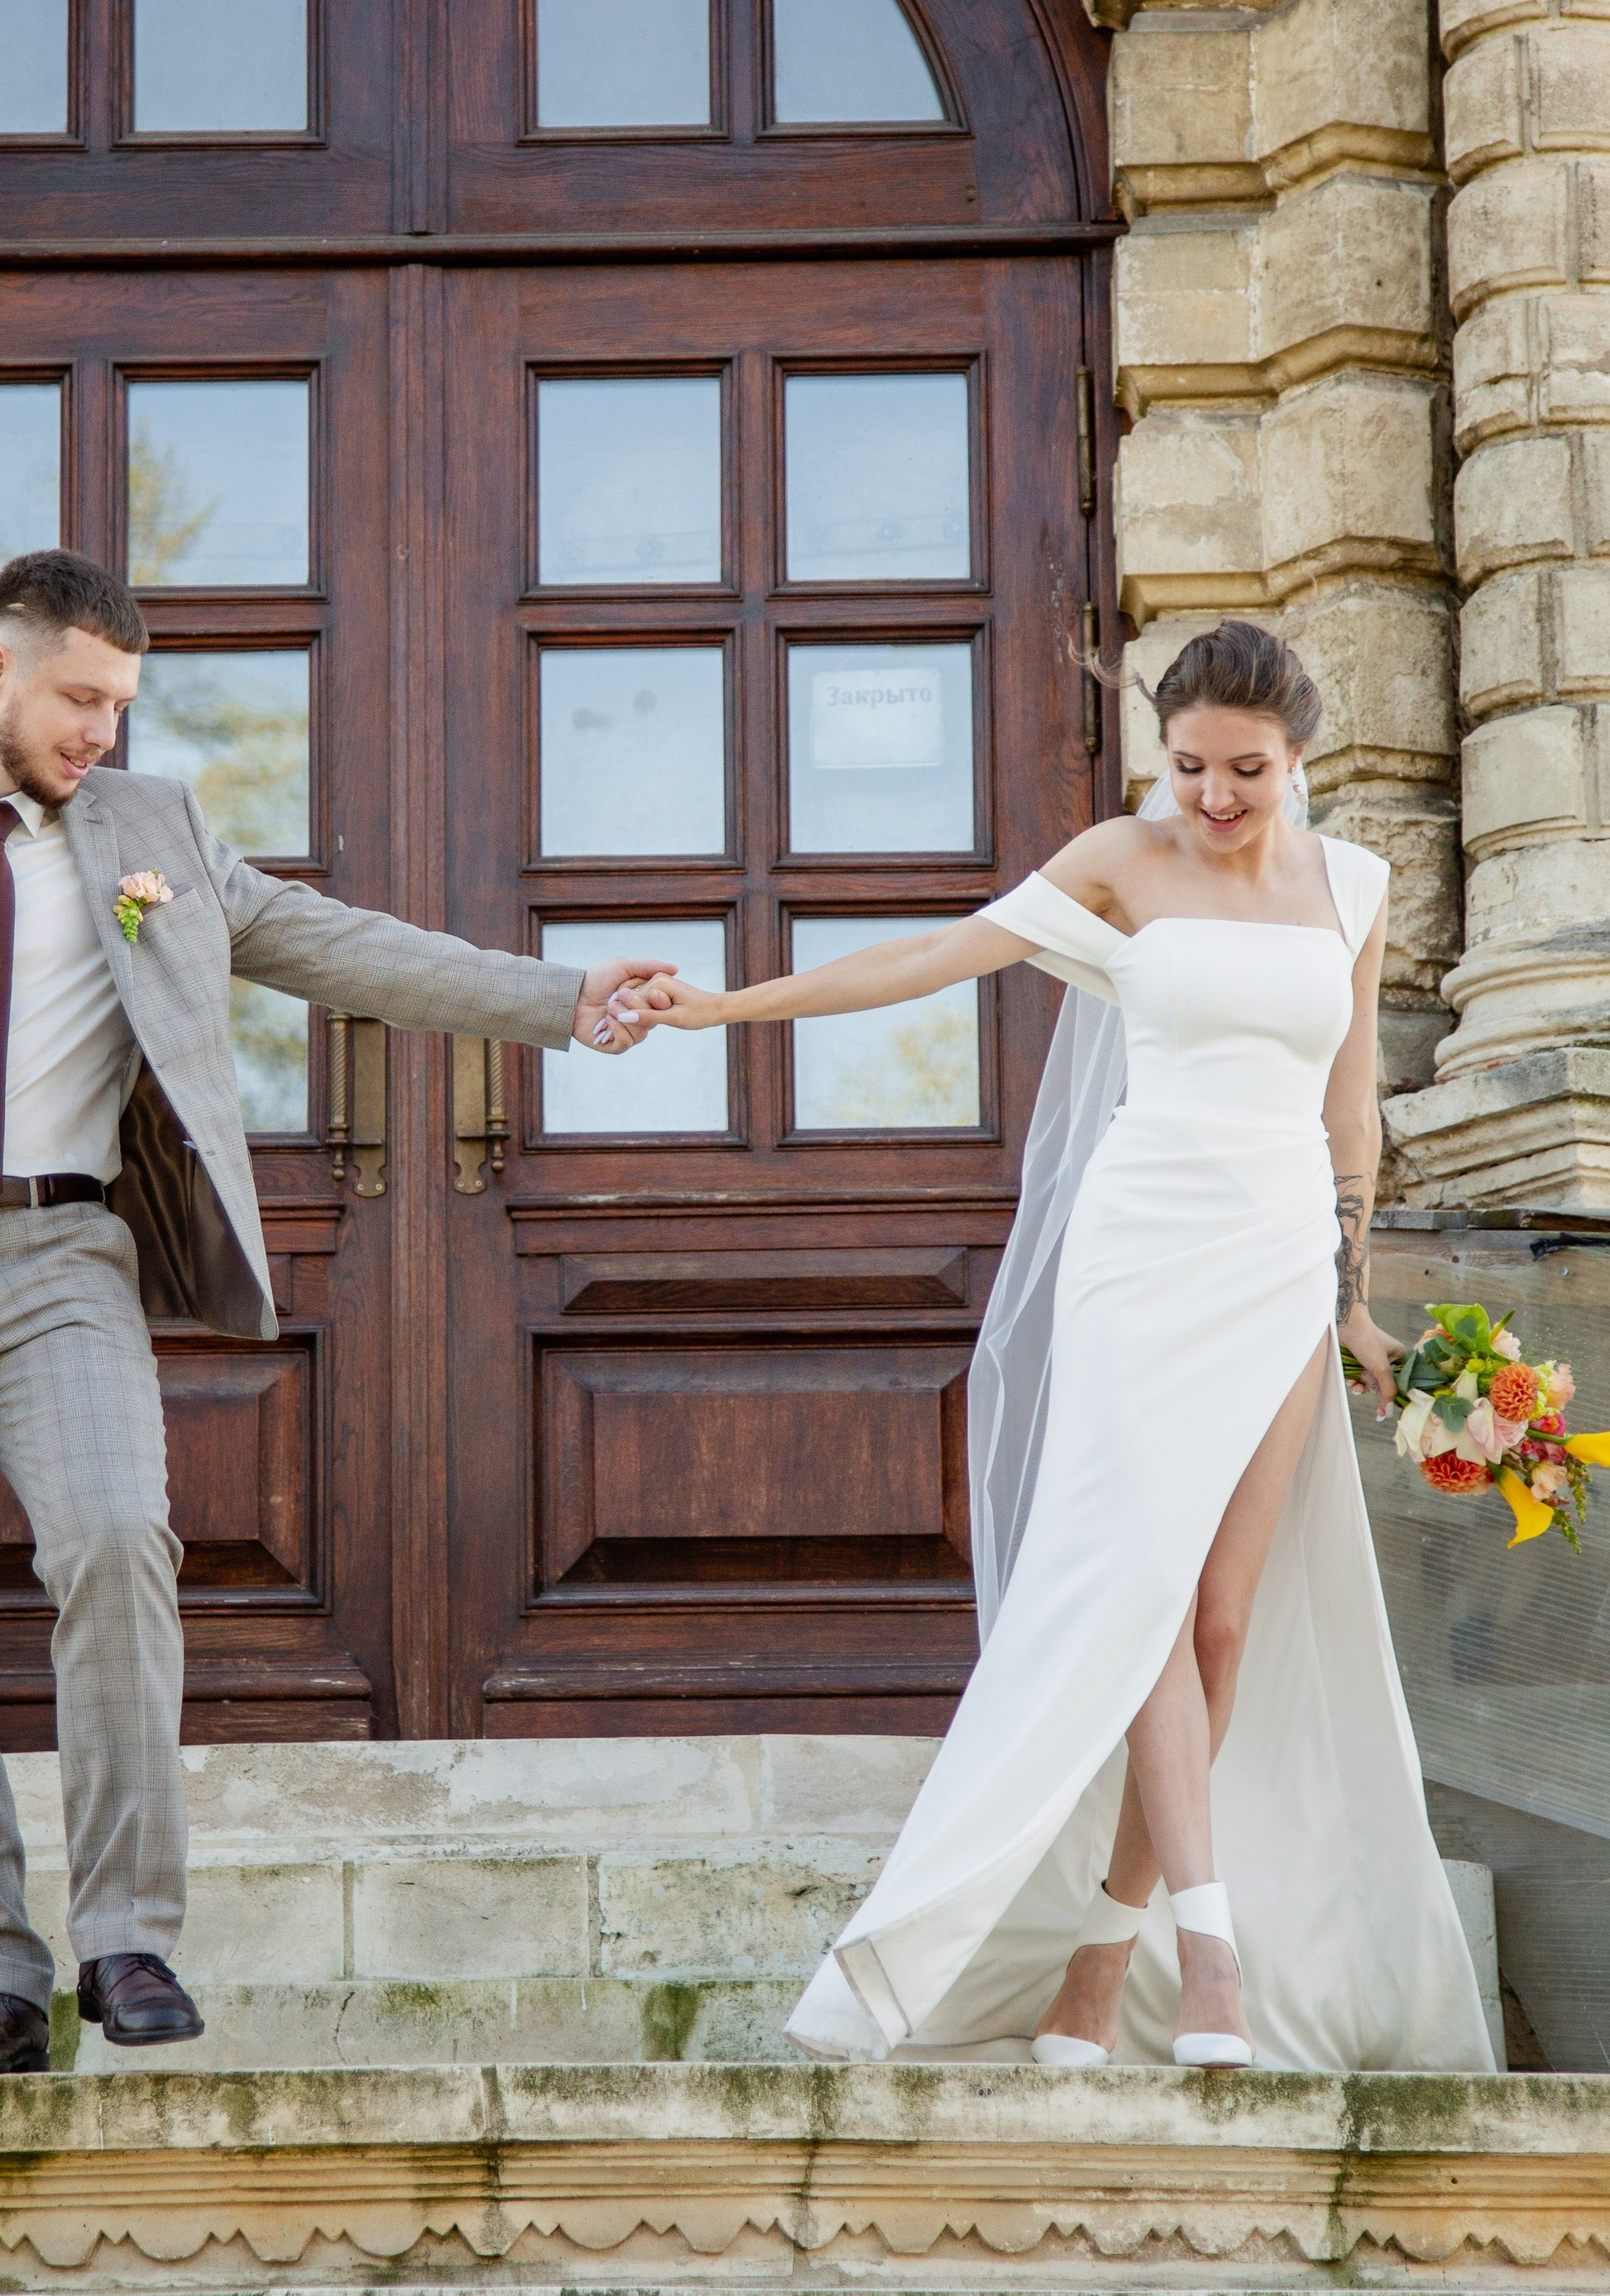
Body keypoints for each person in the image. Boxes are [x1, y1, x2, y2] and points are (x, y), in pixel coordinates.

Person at [0, 551, 665, 2080]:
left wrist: (561, 997)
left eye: (121, 704)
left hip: (61, 1257)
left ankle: (126, 1935)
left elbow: (335, 945)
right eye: (81, 698)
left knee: (112, 1542)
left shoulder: (149, 830)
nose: (103, 731)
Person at [632, 620, 1495, 2073]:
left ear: (1300, 759)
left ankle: (1102, 1961)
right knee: (1149, 1601)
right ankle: (1209, 1958)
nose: (1214, 799)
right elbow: (933, 955)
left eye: (1247, 772)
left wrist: (1349, 1293)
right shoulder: (1118, 861)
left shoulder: (1355, 882)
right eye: (1191, 767)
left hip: (1279, 1260)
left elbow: (1351, 1108)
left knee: (1222, 1617)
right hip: (1140, 1252)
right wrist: (728, 1005)